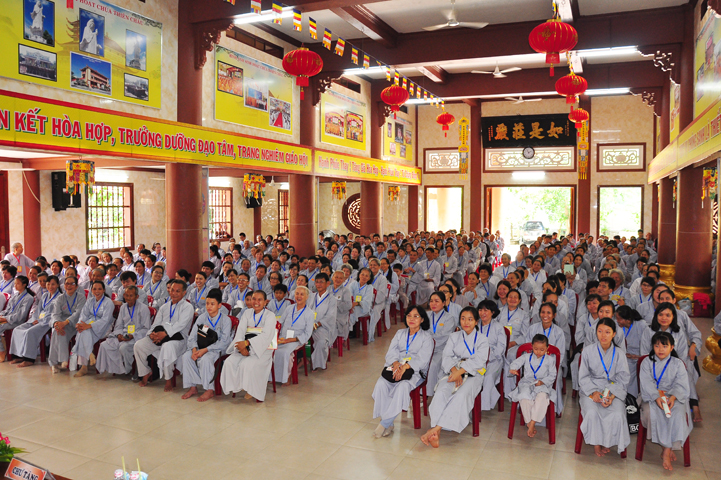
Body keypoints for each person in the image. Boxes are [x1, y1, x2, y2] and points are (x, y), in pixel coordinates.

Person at [422, 306, 490, 447]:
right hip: (453, 371)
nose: (466, 322)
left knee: (461, 395)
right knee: (441, 392)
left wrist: (460, 372)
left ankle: (436, 429)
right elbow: (446, 356)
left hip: (473, 374)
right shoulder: (454, 336)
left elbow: (479, 361)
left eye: (470, 319)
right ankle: (436, 431)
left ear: (476, 321)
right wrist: (455, 371)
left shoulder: (482, 339)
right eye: (463, 319)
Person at [372, 305, 434, 438]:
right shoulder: (400, 333)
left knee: (402, 387)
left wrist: (406, 366)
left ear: (422, 319)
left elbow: (423, 359)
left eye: (416, 316)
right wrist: (395, 363)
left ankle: (384, 423)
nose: (411, 319)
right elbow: (391, 352)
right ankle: (389, 423)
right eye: (409, 316)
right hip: (395, 368)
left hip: (414, 371)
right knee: (381, 384)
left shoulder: (426, 337)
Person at [639, 332, 692, 471]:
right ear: (653, 347)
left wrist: (673, 397)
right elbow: (646, 383)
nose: (660, 349)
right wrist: (656, 397)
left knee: (677, 414)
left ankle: (666, 452)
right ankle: (666, 449)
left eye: (664, 346)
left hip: (673, 397)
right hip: (652, 396)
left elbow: (681, 384)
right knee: (651, 413)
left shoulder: (678, 364)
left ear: (672, 347)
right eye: (657, 346)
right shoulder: (647, 362)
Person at [640, 302, 701, 423]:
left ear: (673, 316)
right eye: (660, 314)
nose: (664, 318)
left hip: (674, 372)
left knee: (686, 374)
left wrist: (673, 392)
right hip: (653, 372)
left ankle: (694, 405)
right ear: (656, 315)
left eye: (668, 315)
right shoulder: (648, 330)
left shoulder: (679, 332)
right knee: (652, 410)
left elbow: (682, 357)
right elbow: (644, 353)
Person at [578, 318, 631, 457]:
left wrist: (612, 395)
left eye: (607, 332)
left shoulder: (619, 353)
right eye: (600, 331)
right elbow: (583, 377)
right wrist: (593, 393)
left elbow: (624, 378)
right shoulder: (588, 351)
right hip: (591, 388)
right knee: (592, 412)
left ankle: (608, 441)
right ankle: (596, 443)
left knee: (617, 414)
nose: (603, 335)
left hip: (614, 389)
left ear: (614, 334)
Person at [134, 280, 194, 391]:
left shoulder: (188, 307)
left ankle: (168, 379)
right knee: (139, 345)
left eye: (177, 291)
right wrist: (152, 334)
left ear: (184, 292)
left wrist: (165, 334)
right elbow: (156, 323)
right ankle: (145, 372)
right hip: (159, 337)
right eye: (172, 290)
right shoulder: (164, 307)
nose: (174, 293)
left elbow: (180, 325)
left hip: (178, 339)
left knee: (167, 347)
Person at [220, 290, 277, 401]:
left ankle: (251, 389)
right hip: (244, 347)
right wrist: (241, 347)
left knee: (247, 364)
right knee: (229, 362)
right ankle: (237, 386)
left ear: (265, 302)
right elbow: (240, 332)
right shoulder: (247, 313)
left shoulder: (270, 316)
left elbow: (266, 336)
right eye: (254, 299)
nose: (256, 302)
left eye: (260, 300)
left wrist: (247, 344)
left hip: (262, 349)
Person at [179, 288, 233, 401]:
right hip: (200, 346)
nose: (209, 306)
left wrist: (206, 350)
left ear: (219, 305)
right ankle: (193, 387)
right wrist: (194, 349)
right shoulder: (202, 317)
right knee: (186, 356)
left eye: (212, 304)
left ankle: (209, 389)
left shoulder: (226, 320)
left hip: (217, 349)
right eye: (207, 303)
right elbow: (192, 337)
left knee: (206, 359)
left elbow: (224, 342)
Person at [508, 334, 558, 438]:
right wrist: (513, 369)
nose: (538, 352)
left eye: (542, 350)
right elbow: (516, 363)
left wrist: (543, 382)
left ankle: (532, 422)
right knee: (524, 396)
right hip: (527, 383)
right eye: (536, 349)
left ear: (547, 348)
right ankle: (529, 422)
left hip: (542, 385)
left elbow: (553, 375)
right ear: (532, 347)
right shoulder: (526, 357)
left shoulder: (550, 360)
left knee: (542, 397)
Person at [95, 285, 152, 377]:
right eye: (127, 295)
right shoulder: (123, 307)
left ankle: (128, 370)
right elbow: (119, 325)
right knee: (104, 345)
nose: (128, 298)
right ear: (124, 296)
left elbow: (146, 328)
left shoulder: (143, 308)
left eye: (131, 295)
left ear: (137, 297)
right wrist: (119, 335)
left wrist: (132, 335)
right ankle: (114, 369)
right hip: (123, 335)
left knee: (123, 348)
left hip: (137, 337)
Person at [525, 302, 565, 414]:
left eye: (549, 313)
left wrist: (549, 366)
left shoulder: (559, 332)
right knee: (528, 378)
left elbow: (560, 353)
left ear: (554, 315)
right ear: (539, 314)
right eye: (543, 312)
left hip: (551, 365)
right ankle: (529, 406)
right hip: (533, 364)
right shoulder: (532, 329)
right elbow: (527, 349)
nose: (545, 315)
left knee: (556, 376)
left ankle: (553, 408)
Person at [69, 280, 115, 377]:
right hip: (89, 324)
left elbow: (105, 320)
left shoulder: (108, 302)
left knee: (83, 332)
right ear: (91, 290)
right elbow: (83, 315)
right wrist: (80, 324)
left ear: (104, 290)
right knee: (82, 331)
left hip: (103, 327)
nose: (97, 291)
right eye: (94, 289)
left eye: (99, 289)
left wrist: (89, 326)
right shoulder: (90, 301)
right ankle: (89, 354)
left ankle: (84, 366)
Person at [7, 275, 55, 367]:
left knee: (30, 332)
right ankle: (18, 355)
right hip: (38, 319)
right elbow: (38, 310)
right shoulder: (45, 295)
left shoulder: (59, 297)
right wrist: (35, 319)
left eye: (53, 284)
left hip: (47, 321)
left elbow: (54, 313)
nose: (50, 286)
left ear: (57, 285)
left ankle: (29, 359)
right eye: (48, 284)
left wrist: (40, 320)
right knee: (17, 329)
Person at [272, 286, 314, 385]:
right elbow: (280, 322)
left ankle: (287, 376)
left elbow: (307, 333)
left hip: (297, 339)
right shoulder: (289, 308)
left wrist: (291, 340)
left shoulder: (309, 313)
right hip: (283, 337)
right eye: (297, 294)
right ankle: (274, 376)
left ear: (307, 297)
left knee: (285, 352)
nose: (299, 296)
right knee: (271, 350)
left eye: (302, 294)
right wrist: (276, 335)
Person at [47, 276, 87, 372]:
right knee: (56, 331)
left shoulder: (81, 297)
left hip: (75, 323)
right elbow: (55, 313)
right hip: (61, 322)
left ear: (76, 286)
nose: (69, 286)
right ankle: (57, 362)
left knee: (59, 332)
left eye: (72, 284)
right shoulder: (60, 298)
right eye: (67, 283)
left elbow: (78, 313)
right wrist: (57, 323)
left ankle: (58, 361)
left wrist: (65, 322)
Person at [424, 291, 460, 394]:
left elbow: (444, 336)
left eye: (436, 301)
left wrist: (428, 340)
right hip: (425, 348)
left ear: (444, 303)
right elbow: (422, 332)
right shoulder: (426, 315)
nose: (433, 304)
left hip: (441, 349)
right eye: (431, 301)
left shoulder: (449, 318)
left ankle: (428, 393)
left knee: (432, 365)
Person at [616, 305, 650, 397]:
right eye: (616, 318)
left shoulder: (642, 325)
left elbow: (648, 345)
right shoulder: (617, 326)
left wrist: (638, 357)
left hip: (640, 357)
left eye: (619, 319)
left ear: (628, 320)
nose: (617, 321)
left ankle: (632, 398)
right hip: (625, 357)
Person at [0, 276, 35, 362]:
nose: (15, 285)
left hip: (17, 321)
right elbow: (7, 310)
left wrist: (5, 319)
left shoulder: (28, 298)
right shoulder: (15, 296)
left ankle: (2, 351)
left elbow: (20, 316)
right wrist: (1, 315)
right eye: (15, 283)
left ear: (24, 284)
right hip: (8, 319)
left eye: (18, 283)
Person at [310, 273, 337, 371]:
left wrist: (317, 324)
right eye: (317, 282)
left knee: (321, 342)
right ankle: (300, 359)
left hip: (322, 327)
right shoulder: (311, 296)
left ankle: (317, 364)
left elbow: (330, 316)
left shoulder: (332, 299)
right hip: (309, 325)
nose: (319, 284)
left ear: (327, 283)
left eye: (321, 282)